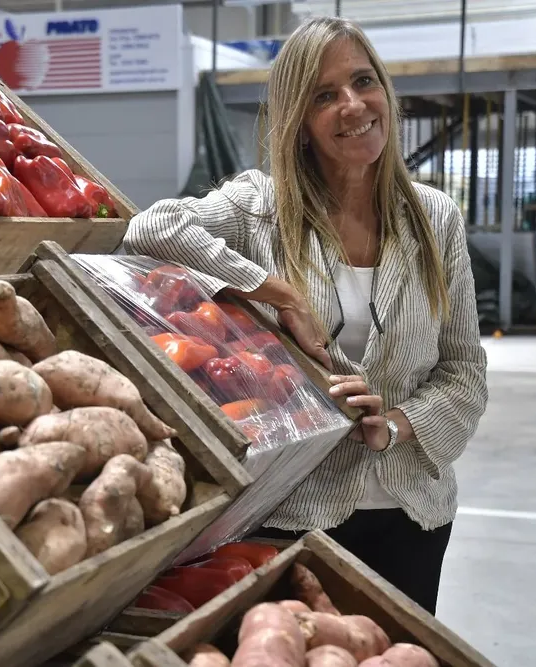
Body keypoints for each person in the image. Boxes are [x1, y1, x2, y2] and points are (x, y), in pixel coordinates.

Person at [121, 16, 489, 615]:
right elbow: (151, 229)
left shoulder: (435, 219)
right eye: (325, 95)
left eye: (363, 81)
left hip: (412, 514)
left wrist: (395, 424)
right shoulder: (259, 208)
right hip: (292, 512)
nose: (353, 105)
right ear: (298, 121)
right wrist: (277, 292)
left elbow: (464, 371)